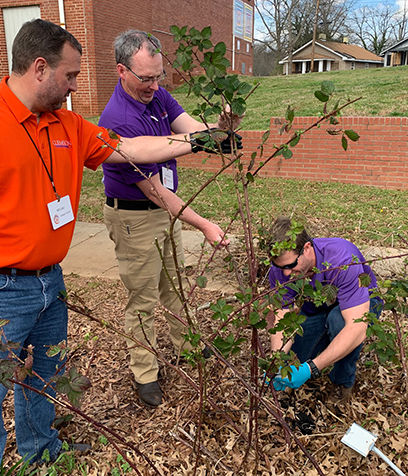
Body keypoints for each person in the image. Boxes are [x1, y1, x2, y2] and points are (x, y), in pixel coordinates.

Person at [0, 19, 219, 476]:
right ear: (39, 67)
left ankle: (41, 450)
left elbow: (130, 148)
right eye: (71, 75)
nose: (76, 86)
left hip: (48, 285)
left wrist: (196, 140)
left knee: (43, 377)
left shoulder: (66, 124)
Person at [99, 30, 242, 407]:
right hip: (134, 217)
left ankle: (187, 348)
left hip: (164, 215)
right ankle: (145, 373)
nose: (155, 85)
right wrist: (206, 225)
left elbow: (191, 129)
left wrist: (225, 123)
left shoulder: (157, 95)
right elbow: (156, 192)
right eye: (146, 78)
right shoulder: (118, 120)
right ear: (121, 71)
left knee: (176, 287)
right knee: (143, 299)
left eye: (159, 75)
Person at [266, 216, 382, 405]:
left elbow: (357, 328)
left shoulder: (342, 259)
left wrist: (311, 368)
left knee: (339, 322)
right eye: (280, 267)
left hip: (361, 305)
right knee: (298, 354)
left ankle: (342, 382)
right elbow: (283, 315)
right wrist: (275, 360)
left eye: (290, 266)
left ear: (307, 248)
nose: (286, 273)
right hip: (319, 305)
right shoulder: (280, 269)